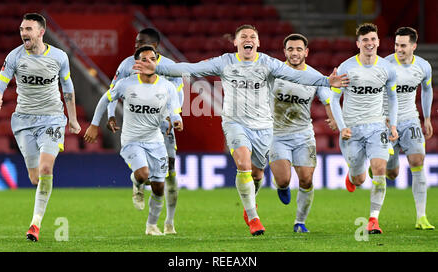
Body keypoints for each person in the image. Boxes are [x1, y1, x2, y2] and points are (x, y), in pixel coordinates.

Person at [135, 24, 349, 236]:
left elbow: (298, 76)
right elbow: (191, 69)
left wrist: (326, 81)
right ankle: (253, 217)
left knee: (257, 173)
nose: (248, 39)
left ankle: (252, 203)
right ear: (236, 42)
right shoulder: (225, 62)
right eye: (243, 36)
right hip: (235, 123)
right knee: (244, 165)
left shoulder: (268, 63)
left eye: (252, 36)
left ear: (258, 42)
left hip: (264, 126)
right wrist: (158, 68)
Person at [0, 13, 81, 242]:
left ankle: (35, 224)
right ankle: (39, 205)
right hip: (24, 121)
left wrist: (72, 119)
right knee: (34, 177)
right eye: (21, 29)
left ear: (41, 32)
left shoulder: (59, 57)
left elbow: (68, 89)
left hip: (52, 119)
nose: (23, 33)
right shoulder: (14, 57)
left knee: (46, 170)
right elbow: (0, 85)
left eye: (28, 29)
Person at [84, 45, 183, 236]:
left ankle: (151, 226)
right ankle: (136, 183)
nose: (149, 62)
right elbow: (105, 99)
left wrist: (177, 121)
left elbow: (174, 112)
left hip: (156, 141)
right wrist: (95, 124)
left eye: (152, 59)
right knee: (143, 174)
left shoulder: (167, 86)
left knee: (159, 186)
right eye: (144, 59)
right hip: (132, 140)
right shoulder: (126, 84)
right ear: (137, 63)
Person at [330, 23, 399, 234]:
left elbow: (393, 98)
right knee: (359, 178)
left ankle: (373, 219)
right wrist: (342, 127)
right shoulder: (346, 67)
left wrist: (393, 124)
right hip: (352, 129)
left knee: (379, 169)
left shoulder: (387, 68)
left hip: (377, 126)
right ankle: (352, 177)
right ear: (358, 43)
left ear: (378, 41)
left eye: (373, 39)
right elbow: (334, 99)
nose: (370, 43)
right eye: (365, 40)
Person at [269, 33, 338, 233]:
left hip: (303, 135)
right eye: (290, 49)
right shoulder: (275, 73)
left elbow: (327, 99)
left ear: (306, 52)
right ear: (285, 52)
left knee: (306, 180)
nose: (295, 53)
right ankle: (281, 185)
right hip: (277, 134)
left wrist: (333, 118)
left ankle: (300, 222)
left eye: (299, 49)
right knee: (283, 180)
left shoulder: (314, 77)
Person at [381, 27, 434, 230]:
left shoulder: (423, 66)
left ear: (414, 46)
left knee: (417, 160)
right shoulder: (385, 65)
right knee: (392, 173)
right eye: (396, 45)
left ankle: (421, 217)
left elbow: (427, 90)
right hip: (386, 121)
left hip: (410, 119)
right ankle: (385, 160)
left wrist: (427, 118)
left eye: (403, 45)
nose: (398, 49)